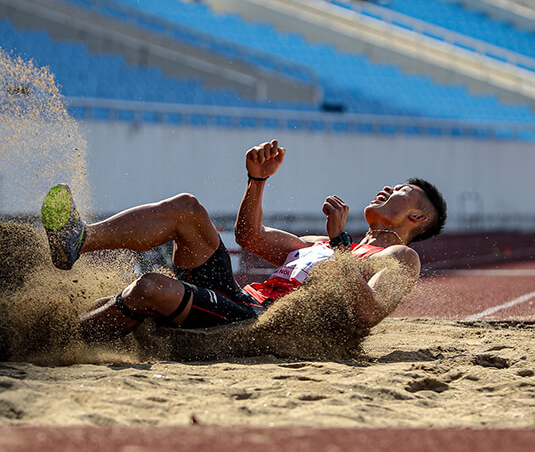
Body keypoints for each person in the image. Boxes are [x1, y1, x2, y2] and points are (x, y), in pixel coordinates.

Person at [41, 140, 447, 341]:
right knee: (187, 207)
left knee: (149, 287)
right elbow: (249, 236)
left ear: (417, 216)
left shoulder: (400, 256)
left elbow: (368, 314)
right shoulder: (321, 245)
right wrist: (257, 182)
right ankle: (78, 240)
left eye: (399, 190)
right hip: (238, 298)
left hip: (255, 324)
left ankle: (58, 343)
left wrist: (341, 241)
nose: (386, 188)